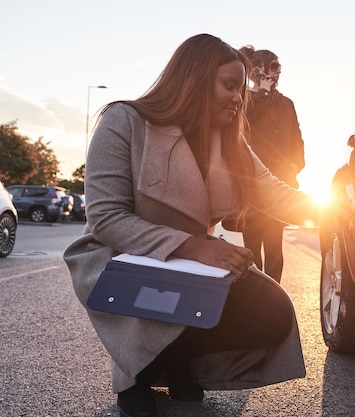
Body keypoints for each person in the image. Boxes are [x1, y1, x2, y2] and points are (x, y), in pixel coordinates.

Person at [63, 34, 318, 417]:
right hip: (118, 259)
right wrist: (193, 246)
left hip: (190, 268)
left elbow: (279, 195)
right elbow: (106, 218)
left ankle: (175, 357)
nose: (238, 98)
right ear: (193, 79)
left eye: (240, 89)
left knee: (272, 312)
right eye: (229, 86)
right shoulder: (124, 121)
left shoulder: (230, 141)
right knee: (159, 300)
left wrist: (352, 209)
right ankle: (138, 373)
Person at [235, 45, 305, 283]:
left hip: (281, 186)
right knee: (252, 250)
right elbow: (242, 129)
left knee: (275, 249)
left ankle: (275, 297)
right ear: (258, 69)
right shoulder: (243, 100)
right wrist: (261, 93)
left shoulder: (287, 103)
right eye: (273, 66)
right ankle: (255, 296)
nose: (278, 72)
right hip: (252, 188)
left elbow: (297, 138)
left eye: (279, 67)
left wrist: (296, 166)